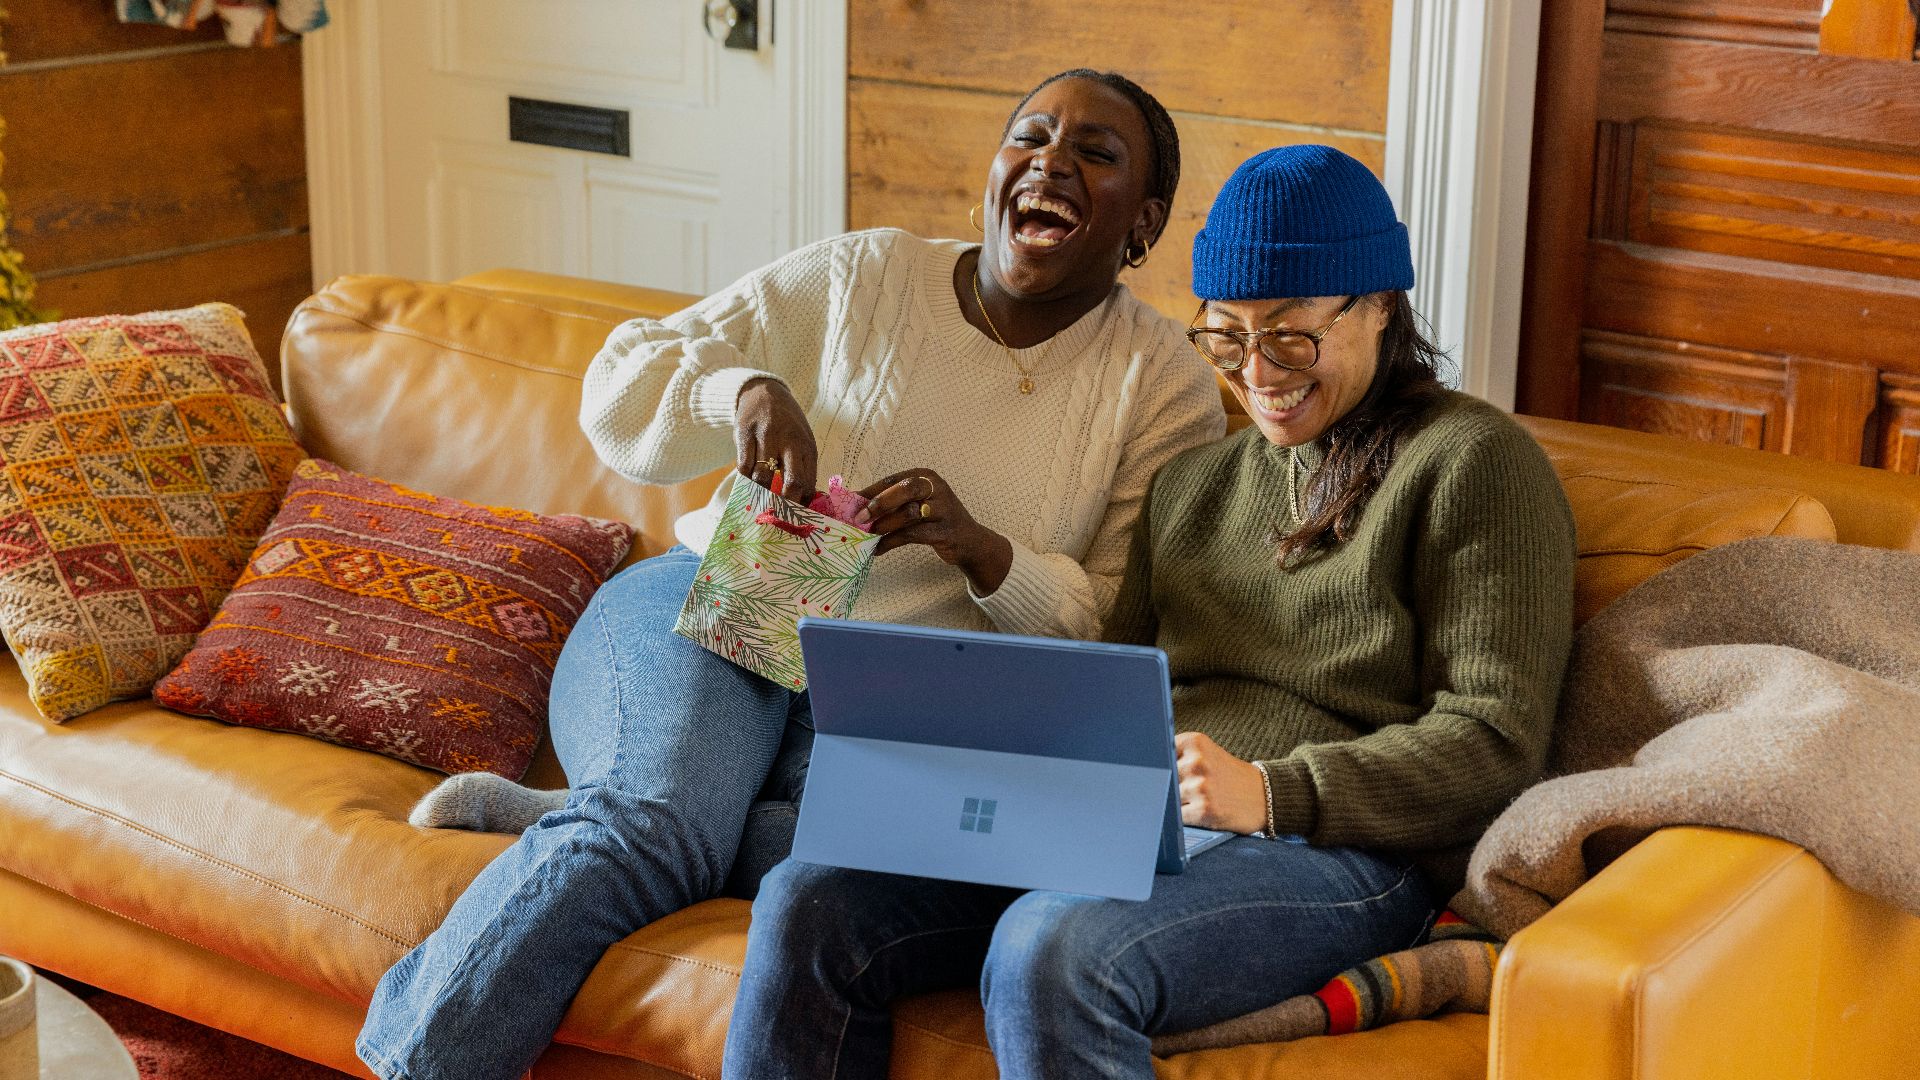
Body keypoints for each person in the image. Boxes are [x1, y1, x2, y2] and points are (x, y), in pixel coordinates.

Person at [353, 69, 1226, 1080]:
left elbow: (1115, 632)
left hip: (900, 704)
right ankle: (422, 1055)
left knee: (916, 852)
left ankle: (597, 811)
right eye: (1030, 137)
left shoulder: (1163, 385)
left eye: (1095, 153)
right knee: (654, 829)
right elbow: (619, 383)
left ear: (1142, 223)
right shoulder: (868, 275)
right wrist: (744, 390)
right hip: (722, 598)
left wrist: (985, 552)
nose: (1051, 162)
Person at [723, 144, 1578, 1079]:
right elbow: (1108, 695)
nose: (1258, 372)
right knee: (809, 896)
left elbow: (1495, 742)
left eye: (1290, 336)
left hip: (1343, 850)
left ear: (1378, 305)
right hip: (1138, 824)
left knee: (1054, 949)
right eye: (1227, 336)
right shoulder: (1191, 486)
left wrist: (1275, 792)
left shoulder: (1473, 462)